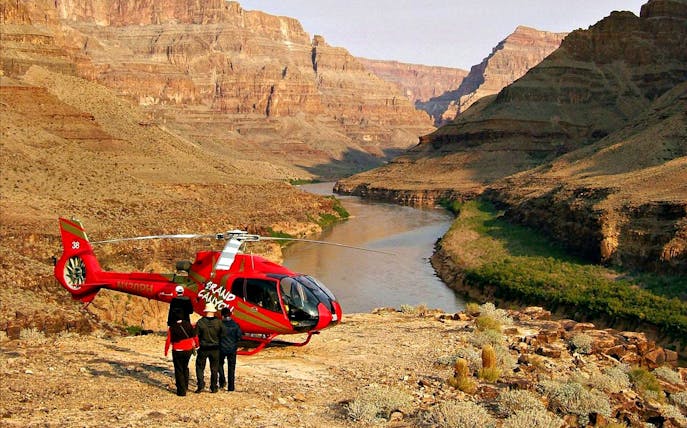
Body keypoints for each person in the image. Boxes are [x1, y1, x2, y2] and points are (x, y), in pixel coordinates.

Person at [164, 318, 199, 396]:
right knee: (185, 367)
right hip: (188, 349)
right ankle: (185, 386)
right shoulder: (188, 324)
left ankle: (181, 391)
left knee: (178, 369)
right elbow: (194, 335)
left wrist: (166, 351)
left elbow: (168, 340)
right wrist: (197, 344)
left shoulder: (172, 327)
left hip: (177, 350)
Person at [195, 302, 223, 393]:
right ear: (214, 311)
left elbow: (196, 335)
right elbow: (222, 335)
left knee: (199, 367)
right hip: (215, 348)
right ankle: (214, 387)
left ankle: (200, 385)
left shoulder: (200, 322)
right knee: (214, 368)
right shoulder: (219, 322)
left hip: (203, 348)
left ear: (206, 311)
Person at [219, 307, 243, 391]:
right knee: (231, 368)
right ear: (230, 315)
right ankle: (231, 387)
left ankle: (222, 380)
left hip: (221, 348)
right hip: (232, 348)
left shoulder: (220, 325)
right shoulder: (235, 325)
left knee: (219, 365)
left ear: (222, 315)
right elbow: (239, 336)